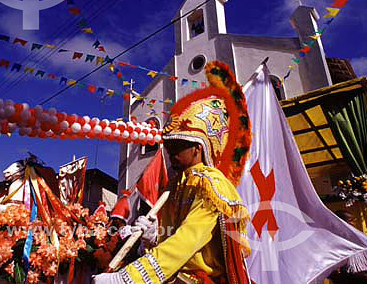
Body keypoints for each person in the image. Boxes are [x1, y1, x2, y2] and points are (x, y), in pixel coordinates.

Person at [92, 60, 252, 283]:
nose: (171, 154)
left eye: (177, 147)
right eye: (168, 148)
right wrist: (153, 236)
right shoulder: (175, 185)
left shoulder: (210, 184)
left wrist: (127, 279)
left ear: (198, 147)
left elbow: (188, 240)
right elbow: (172, 237)